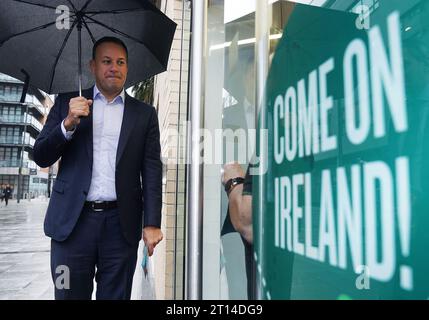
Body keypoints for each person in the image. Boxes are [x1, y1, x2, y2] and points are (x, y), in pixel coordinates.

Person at [33, 36, 163, 300]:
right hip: (72, 223)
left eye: (120, 62)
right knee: (69, 294)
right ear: (92, 66)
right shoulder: (68, 103)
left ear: (127, 67)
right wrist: (67, 124)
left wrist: (151, 223)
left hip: (120, 225)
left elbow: (151, 169)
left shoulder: (144, 114)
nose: (114, 67)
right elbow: (41, 156)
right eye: (106, 61)